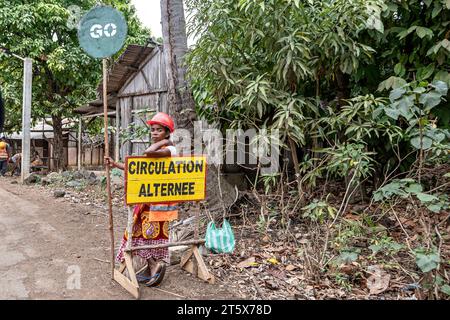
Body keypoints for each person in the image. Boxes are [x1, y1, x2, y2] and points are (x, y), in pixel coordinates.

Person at [105, 112, 178, 287]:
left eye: (158, 130)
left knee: (148, 235)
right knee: (141, 234)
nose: (154, 133)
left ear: (167, 133)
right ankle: (150, 267)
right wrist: (115, 164)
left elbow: (148, 152)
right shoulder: (158, 151)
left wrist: (165, 141)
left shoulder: (169, 149)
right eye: (152, 130)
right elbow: (137, 169)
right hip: (147, 200)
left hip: (159, 203)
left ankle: (155, 265)